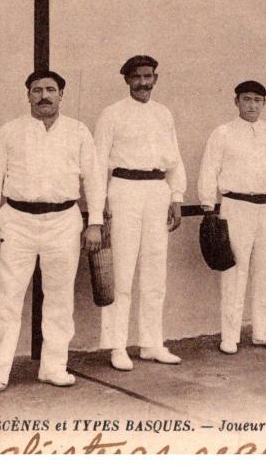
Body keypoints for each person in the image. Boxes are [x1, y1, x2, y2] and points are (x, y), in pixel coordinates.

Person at [0, 70, 105, 397]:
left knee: (59, 297)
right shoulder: (9, 132)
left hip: (64, 221)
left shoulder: (78, 132)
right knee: (4, 299)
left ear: (62, 94)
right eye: (36, 90)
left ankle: (53, 367)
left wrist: (95, 221)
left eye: (50, 90)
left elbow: (93, 179)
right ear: (27, 95)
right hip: (16, 221)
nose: (43, 96)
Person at [94, 55, 186, 370]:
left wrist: (176, 196)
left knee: (155, 270)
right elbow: (97, 162)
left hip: (157, 191)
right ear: (127, 80)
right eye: (137, 77)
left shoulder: (164, 114)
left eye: (148, 76)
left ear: (155, 79)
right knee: (121, 271)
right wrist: (99, 200)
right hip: (123, 191)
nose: (143, 83)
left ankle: (151, 343)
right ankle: (117, 346)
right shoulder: (111, 114)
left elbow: (174, 158)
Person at [197, 80, 266, 355]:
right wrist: (208, 208)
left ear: (264, 103)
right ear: (236, 102)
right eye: (246, 99)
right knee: (234, 272)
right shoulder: (223, 133)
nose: (252, 105)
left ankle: (263, 332)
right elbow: (209, 170)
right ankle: (230, 336)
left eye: (257, 100)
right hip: (236, 207)